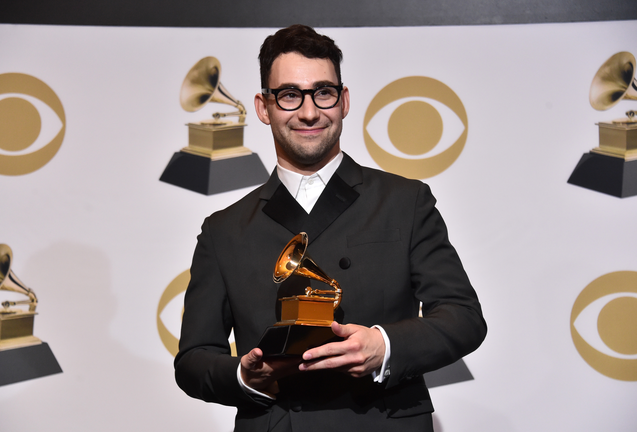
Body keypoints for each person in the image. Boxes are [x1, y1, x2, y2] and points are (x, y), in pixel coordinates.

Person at [174, 24, 486, 432]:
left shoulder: (405, 201)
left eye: (323, 92)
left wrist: (385, 345)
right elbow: (194, 358)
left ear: (344, 101)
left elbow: (463, 317)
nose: (308, 112)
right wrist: (244, 378)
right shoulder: (223, 229)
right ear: (263, 107)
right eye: (289, 95)